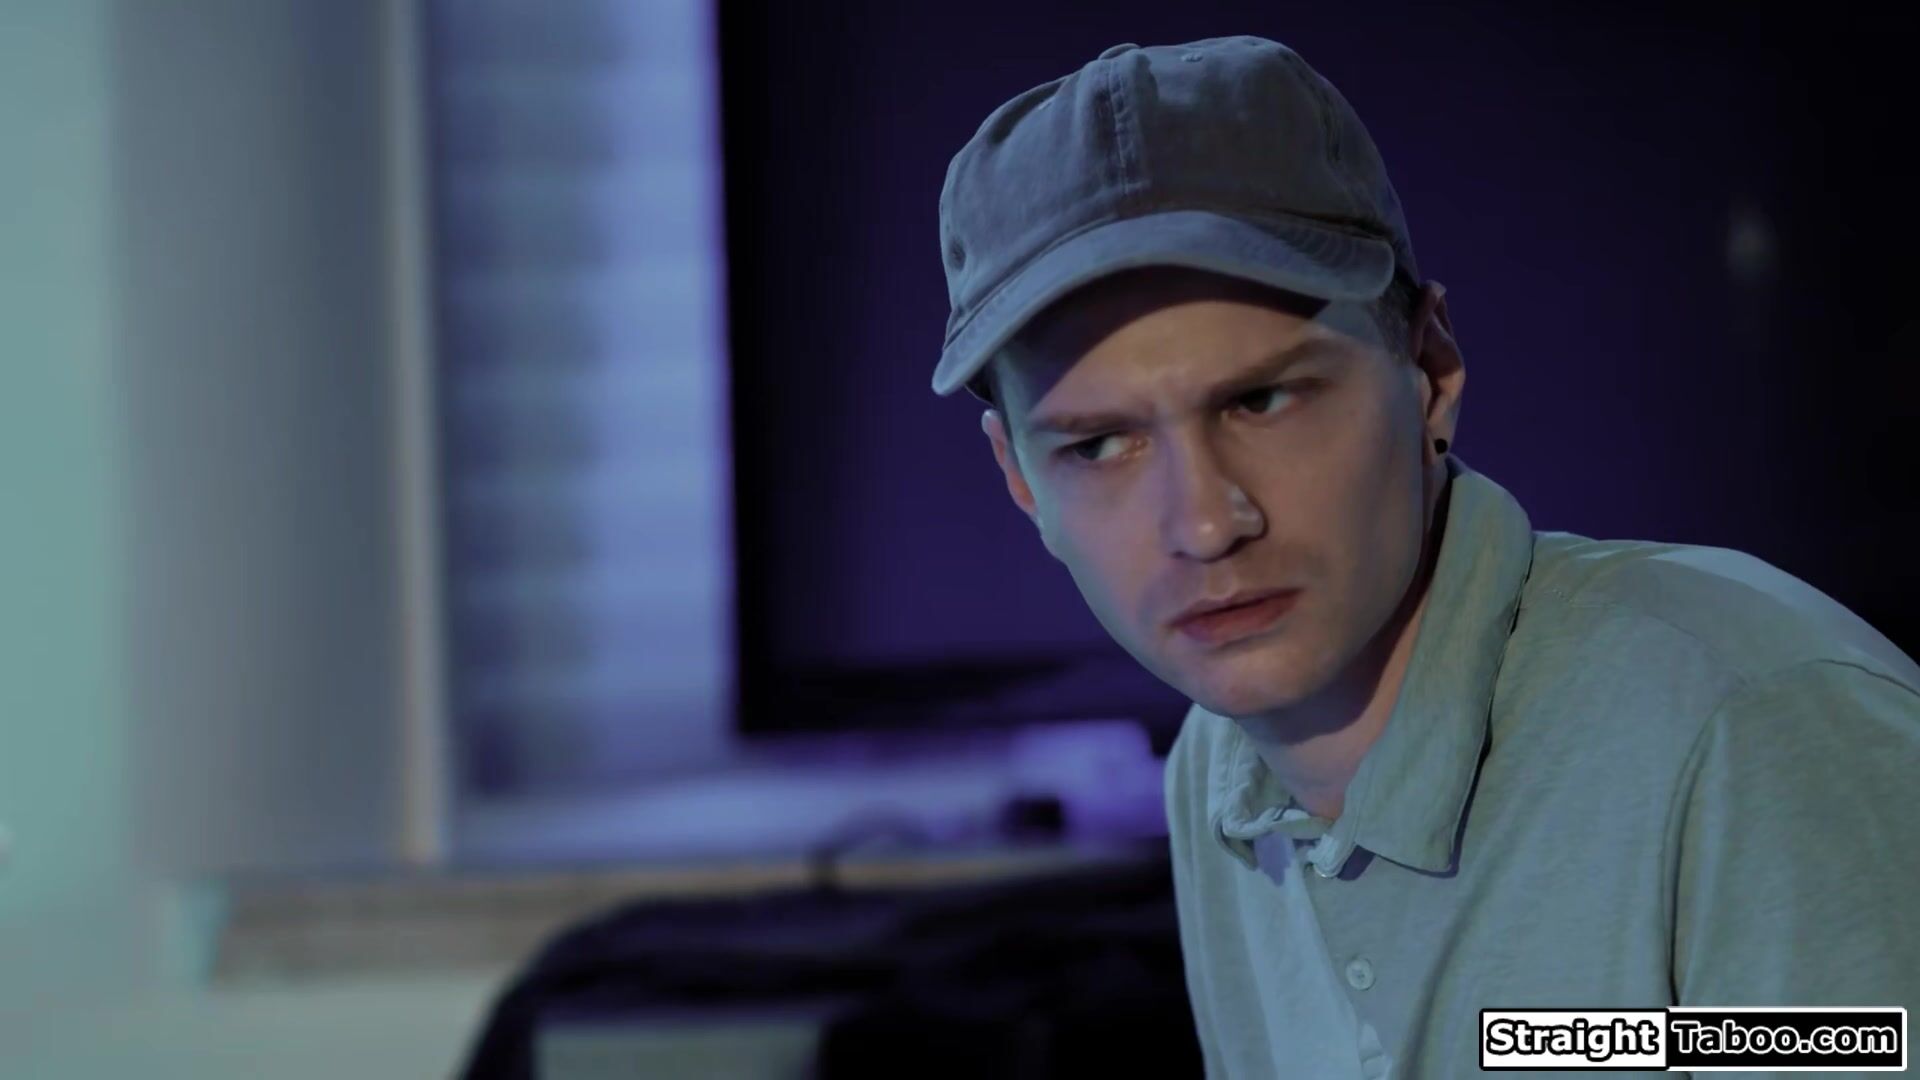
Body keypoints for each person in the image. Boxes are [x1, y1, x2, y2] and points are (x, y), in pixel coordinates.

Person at [927, 34, 1920, 1079]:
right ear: (1020, 480)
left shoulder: (1753, 726)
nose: (1206, 525)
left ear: (1430, 372)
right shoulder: (1215, 774)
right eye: (1098, 445)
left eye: (1262, 399)